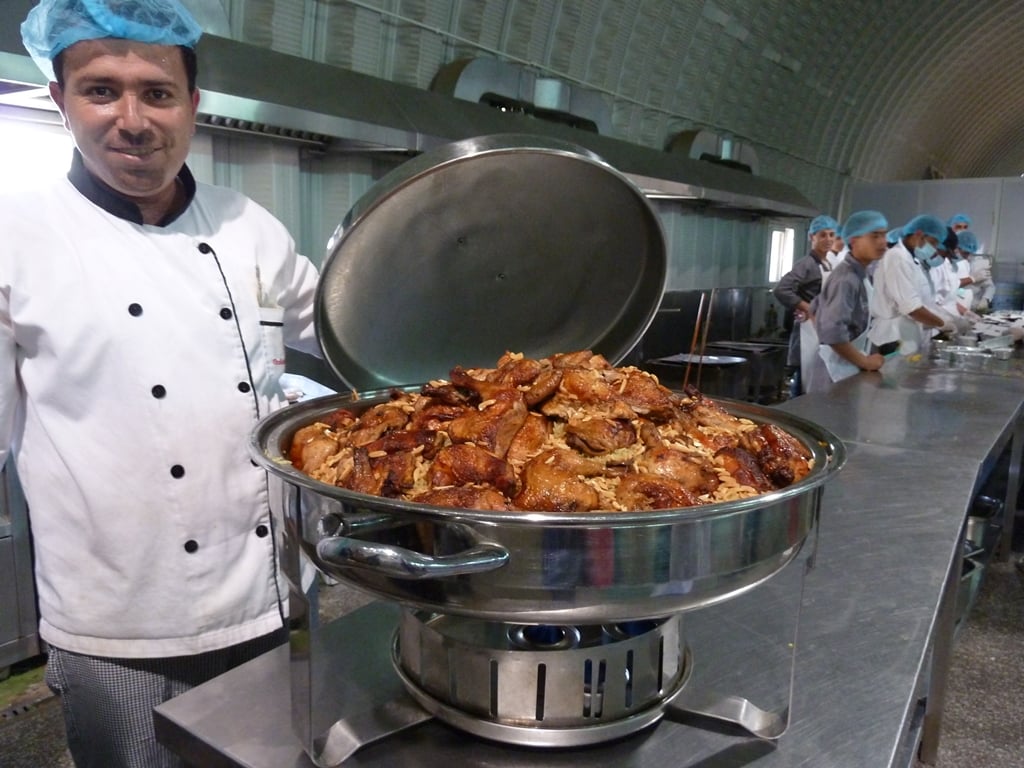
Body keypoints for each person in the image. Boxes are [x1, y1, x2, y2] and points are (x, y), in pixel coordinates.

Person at [4, 1, 322, 765]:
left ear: (193, 105)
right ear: (60, 100)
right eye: (100, 89)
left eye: (156, 92)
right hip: (117, 623)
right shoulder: (16, 239)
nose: (132, 119)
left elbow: (350, 329)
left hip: (270, 600)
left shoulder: (248, 225)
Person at [803, 210, 889, 393]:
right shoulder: (846, 278)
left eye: (883, 235)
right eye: (875, 236)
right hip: (833, 370)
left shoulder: (861, 274)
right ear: (854, 241)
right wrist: (864, 361)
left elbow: (814, 308)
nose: (882, 242)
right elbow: (833, 333)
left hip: (846, 365)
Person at [869, 214, 970, 357]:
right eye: (933, 243)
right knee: (893, 377)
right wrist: (942, 323)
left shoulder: (912, 261)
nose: (934, 249)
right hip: (892, 337)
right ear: (919, 234)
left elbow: (924, 303)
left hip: (906, 334)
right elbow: (911, 307)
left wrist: (948, 319)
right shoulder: (897, 258)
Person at [772, 214, 839, 395]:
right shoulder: (807, 264)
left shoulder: (828, 263)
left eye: (832, 235)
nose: (828, 239)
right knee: (803, 382)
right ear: (812, 237)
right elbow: (782, 289)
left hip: (823, 329)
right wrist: (807, 307)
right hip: (808, 332)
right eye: (823, 235)